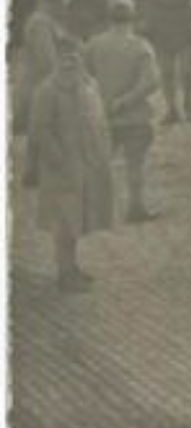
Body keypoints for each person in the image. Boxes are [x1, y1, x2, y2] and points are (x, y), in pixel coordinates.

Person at [26, 41, 115, 293]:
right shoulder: (47, 90)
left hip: (87, 166)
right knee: (63, 222)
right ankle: (64, 272)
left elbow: (100, 122)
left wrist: (102, 153)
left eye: (74, 57)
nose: (70, 62)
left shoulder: (89, 84)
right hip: (62, 169)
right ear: (57, 59)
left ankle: (72, 265)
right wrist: (58, 160)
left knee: (78, 219)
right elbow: (40, 130)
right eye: (65, 58)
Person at [84, 0, 162, 223]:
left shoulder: (94, 45)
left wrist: (99, 100)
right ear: (133, 19)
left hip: (102, 116)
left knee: (100, 163)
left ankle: (95, 210)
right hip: (134, 117)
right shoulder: (140, 46)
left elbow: (84, 77)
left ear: (109, 19)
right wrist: (125, 100)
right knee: (134, 165)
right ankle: (135, 207)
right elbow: (151, 81)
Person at [13, 0, 68, 137]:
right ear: (55, 2)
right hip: (36, 92)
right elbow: (47, 63)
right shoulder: (40, 23)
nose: (65, 8)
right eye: (63, 2)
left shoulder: (45, 22)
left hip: (39, 89)